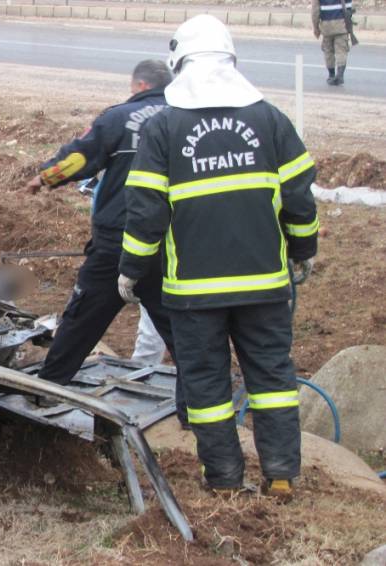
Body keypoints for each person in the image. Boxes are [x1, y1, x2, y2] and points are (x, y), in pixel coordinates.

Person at [118, 15, 319, 498]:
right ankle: (281, 475)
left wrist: (130, 268)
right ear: (232, 61)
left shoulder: (164, 129)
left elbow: (146, 212)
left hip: (193, 294)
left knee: (206, 389)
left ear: (179, 64)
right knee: (272, 379)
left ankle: (225, 481)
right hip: (264, 286)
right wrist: (303, 249)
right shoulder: (269, 119)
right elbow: (300, 198)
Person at [21, 60, 187, 423]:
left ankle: (48, 390)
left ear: (139, 86)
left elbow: (80, 156)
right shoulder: (186, 118)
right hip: (169, 243)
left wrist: (45, 178)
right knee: (180, 326)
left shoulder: (120, 117)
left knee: (82, 319)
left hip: (118, 241)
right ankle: (197, 408)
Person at [312, 0, 353, 85]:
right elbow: (349, 8)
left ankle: (331, 75)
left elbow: (315, 12)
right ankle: (340, 75)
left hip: (326, 27)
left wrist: (316, 28)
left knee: (328, 52)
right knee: (341, 51)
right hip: (342, 26)